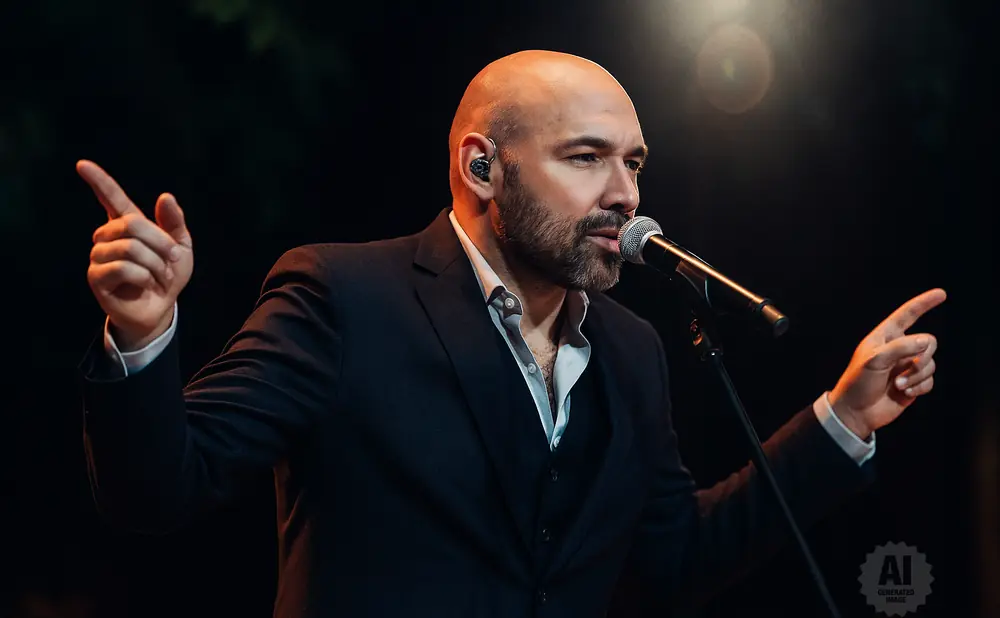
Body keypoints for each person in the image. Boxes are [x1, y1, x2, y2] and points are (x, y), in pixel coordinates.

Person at [76, 50, 945, 617]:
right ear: (482, 166)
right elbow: (157, 493)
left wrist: (844, 417)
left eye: (633, 162)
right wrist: (145, 335)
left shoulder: (632, 351)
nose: (626, 196)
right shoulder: (344, 295)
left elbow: (677, 558)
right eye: (586, 157)